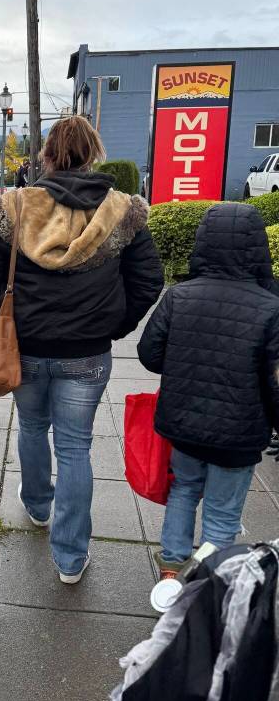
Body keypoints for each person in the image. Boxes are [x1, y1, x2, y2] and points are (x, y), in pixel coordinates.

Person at [0, 116, 163, 583]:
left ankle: (37, 505)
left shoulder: (14, 207)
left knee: (33, 426)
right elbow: (148, 280)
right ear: (94, 154)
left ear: (48, 155)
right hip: (88, 353)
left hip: (26, 347)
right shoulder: (123, 212)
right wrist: (116, 324)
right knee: (76, 447)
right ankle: (71, 558)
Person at [138, 202, 279, 580]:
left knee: (183, 489)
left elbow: (149, 354)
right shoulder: (271, 306)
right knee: (223, 510)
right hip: (240, 432)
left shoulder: (180, 296)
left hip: (183, 423)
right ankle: (210, 583)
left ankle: (171, 571)